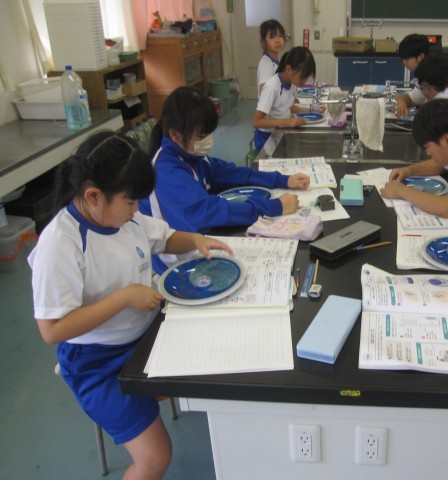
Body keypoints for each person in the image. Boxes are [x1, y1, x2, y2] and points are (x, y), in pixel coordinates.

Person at [28, 131, 234, 480]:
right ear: (93, 196)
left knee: (216, 357)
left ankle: (152, 397)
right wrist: (123, 298)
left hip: (143, 338)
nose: (136, 210)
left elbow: (164, 237)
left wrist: (195, 240)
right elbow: (52, 330)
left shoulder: (123, 216)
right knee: (155, 458)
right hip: (96, 364)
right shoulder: (60, 244)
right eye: (130, 202)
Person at [139, 86, 310, 274]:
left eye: (210, 132)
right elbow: (209, 210)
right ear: (174, 135)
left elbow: (232, 173)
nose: (209, 139)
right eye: (202, 135)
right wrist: (274, 206)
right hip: (177, 263)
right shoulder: (167, 172)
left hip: (201, 239)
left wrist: (282, 180)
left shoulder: (190, 154)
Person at [381, 98, 448, 219]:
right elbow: (439, 164)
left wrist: (400, 191)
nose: (427, 153)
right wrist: (408, 171)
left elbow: (447, 207)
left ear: (447, 140)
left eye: (427, 147)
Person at [252, 46, 324, 153]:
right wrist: (286, 121)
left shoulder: (292, 83)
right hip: (266, 138)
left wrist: (310, 110)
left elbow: (287, 106)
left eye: (307, 77)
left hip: (280, 131)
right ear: (289, 69)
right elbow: (256, 122)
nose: (304, 81)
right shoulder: (272, 87)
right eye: (302, 76)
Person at [394, 33, 430, 119]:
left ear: (420, 56)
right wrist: (401, 101)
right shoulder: (424, 75)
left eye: (407, 59)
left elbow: (429, 109)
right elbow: (411, 99)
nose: (404, 63)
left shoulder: (433, 76)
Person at [257, 19, 286, 97]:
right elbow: (264, 91)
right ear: (264, 41)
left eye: (280, 35)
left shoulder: (278, 60)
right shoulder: (266, 64)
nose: (277, 40)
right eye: (272, 37)